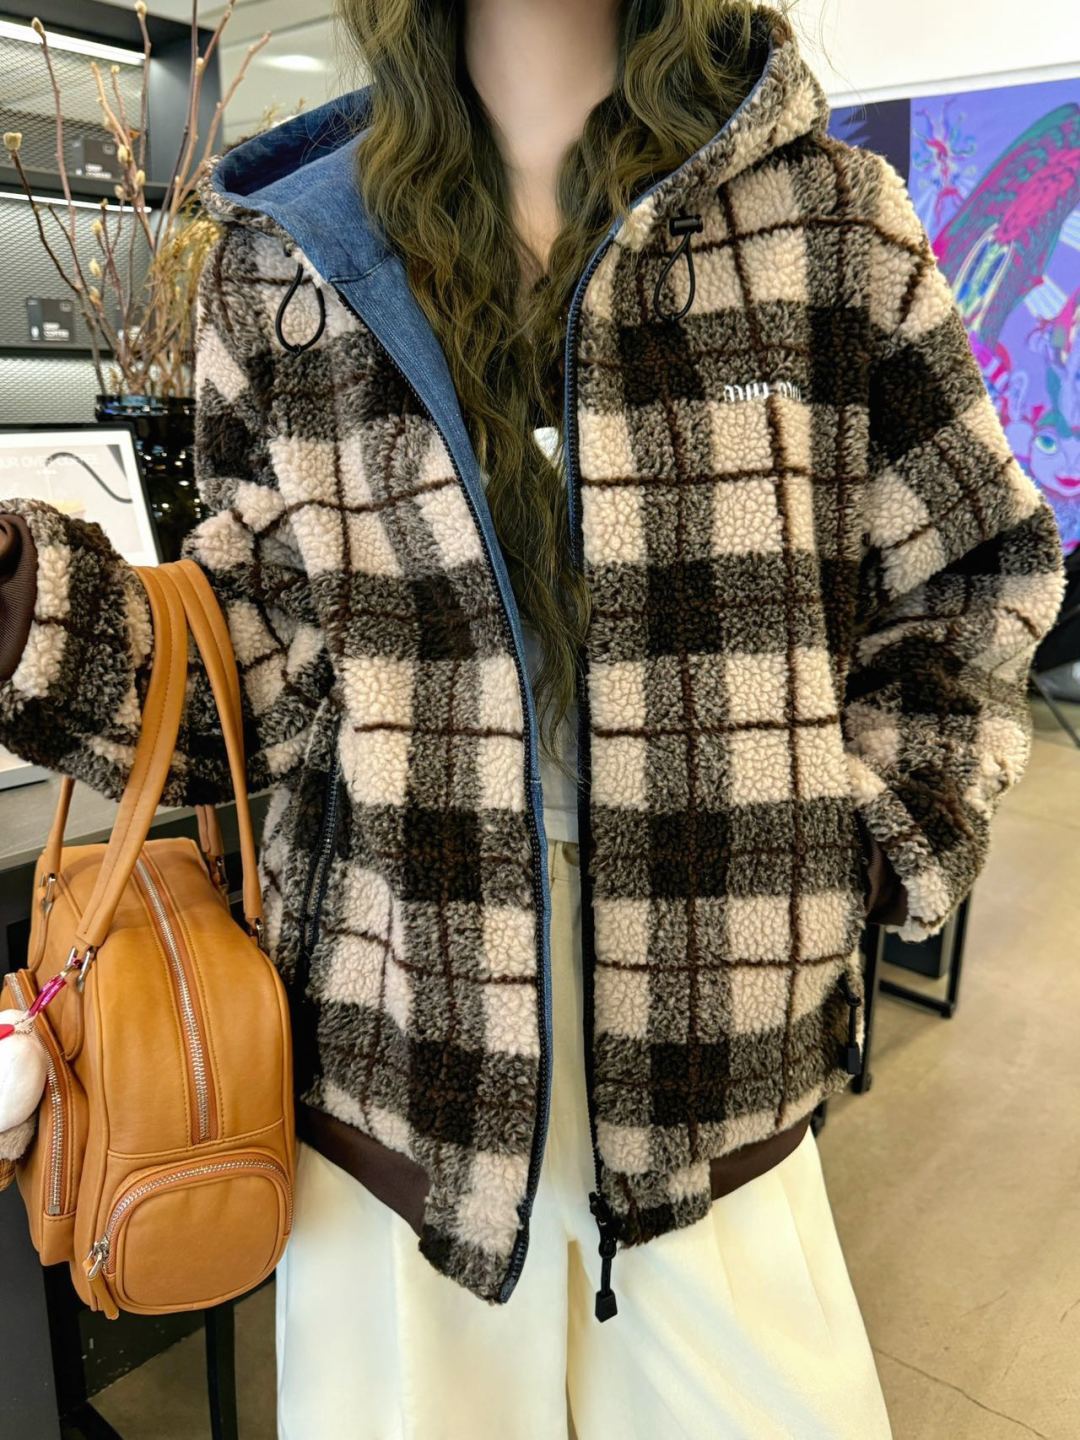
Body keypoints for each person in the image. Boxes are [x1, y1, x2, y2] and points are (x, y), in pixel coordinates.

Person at [0, 1, 1065, 1435]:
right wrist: (27, 609)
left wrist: (864, 843)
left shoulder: (825, 221)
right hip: (397, 1087)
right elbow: (252, 680)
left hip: (721, 1080)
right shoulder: (295, 253)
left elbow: (975, 571)